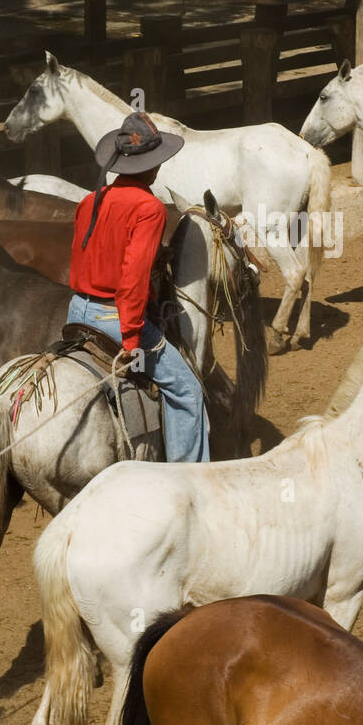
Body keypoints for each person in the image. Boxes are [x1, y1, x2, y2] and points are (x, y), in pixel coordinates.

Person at [67, 110, 209, 463]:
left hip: (76, 309)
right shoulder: (149, 208)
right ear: (152, 165)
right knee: (187, 390)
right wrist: (131, 338)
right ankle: (186, 478)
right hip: (114, 318)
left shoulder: (89, 202)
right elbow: (131, 280)